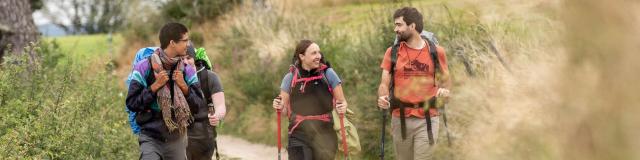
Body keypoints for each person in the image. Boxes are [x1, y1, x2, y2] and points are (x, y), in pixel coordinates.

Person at [377, 7, 452, 160]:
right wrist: (383, 97)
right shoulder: (392, 52)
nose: (395, 29)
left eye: (399, 25)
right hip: (400, 119)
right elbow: (384, 83)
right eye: (395, 25)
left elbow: (446, 81)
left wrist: (445, 91)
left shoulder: (436, 52)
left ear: (412, 26)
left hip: (428, 119)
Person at [125, 22, 206, 160]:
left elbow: (198, 105)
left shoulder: (187, 70)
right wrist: (154, 87)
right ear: (172, 42)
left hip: (177, 139)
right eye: (185, 40)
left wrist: (184, 87)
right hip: (150, 138)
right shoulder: (144, 67)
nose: (188, 44)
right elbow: (132, 103)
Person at [272, 39, 348, 160]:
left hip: (325, 135)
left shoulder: (328, 74)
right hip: (298, 134)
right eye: (313, 53)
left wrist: (343, 107)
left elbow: (342, 102)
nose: (318, 56)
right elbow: (284, 111)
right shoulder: (290, 78)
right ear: (302, 56)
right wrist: (279, 106)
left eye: (319, 52)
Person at [183, 42, 226, 160]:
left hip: (204, 137)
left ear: (194, 58)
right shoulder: (173, 78)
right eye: (181, 58)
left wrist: (217, 116)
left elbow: (221, 105)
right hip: (179, 137)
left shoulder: (209, 77)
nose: (185, 62)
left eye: (188, 58)